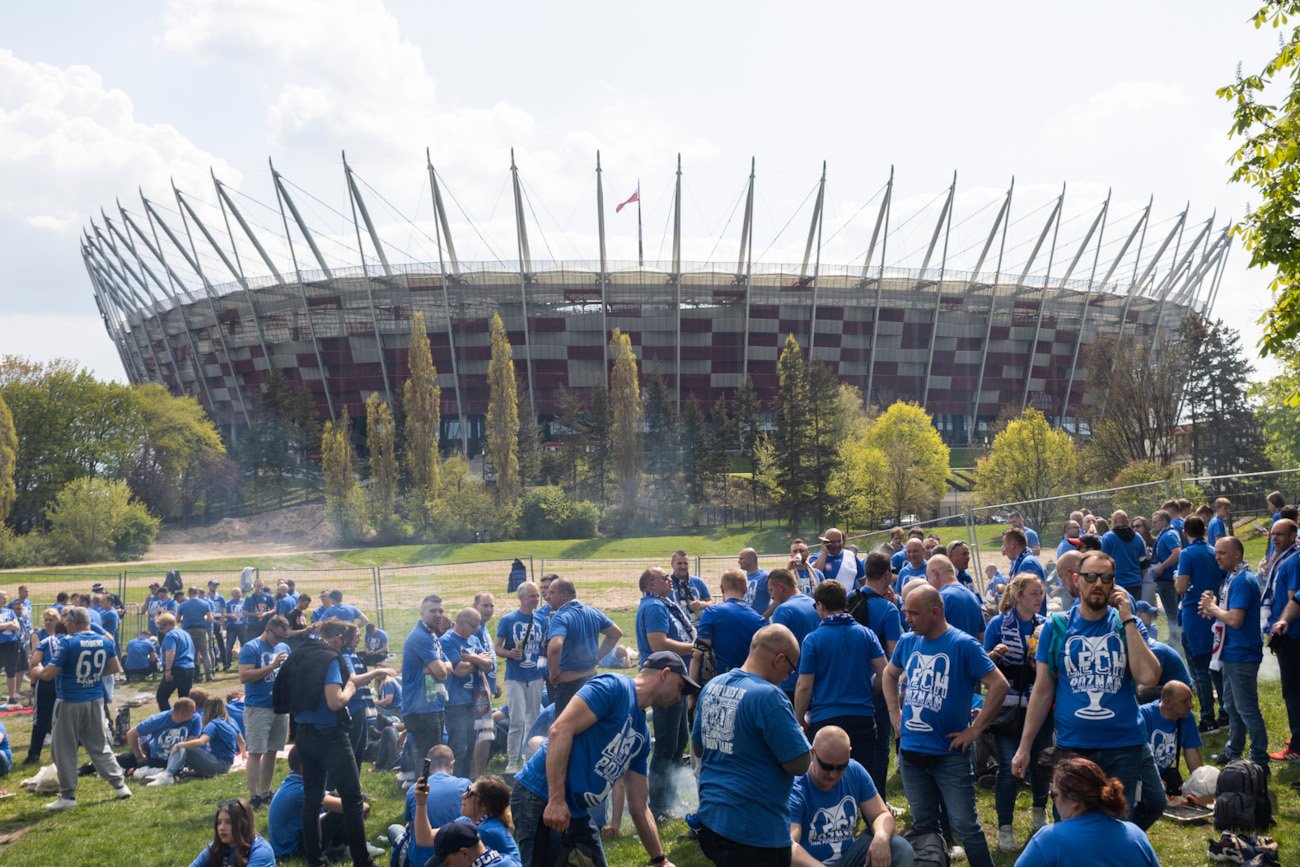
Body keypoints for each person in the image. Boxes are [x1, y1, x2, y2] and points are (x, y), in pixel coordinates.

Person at [1011, 551, 1166, 831]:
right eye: (1090, 576)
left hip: (1122, 746)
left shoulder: (1126, 625)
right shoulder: (1056, 627)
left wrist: (1128, 618)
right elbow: (1043, 691)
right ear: (1076, 580)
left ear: (1113, 583)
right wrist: (1024, 747)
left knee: (1116, 826)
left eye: (1106, 577)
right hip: (1073, 747)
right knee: (1069, 827)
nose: (1098, 583)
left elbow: (1149, 676)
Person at [512, 652, 694, 867]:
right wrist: (556, 801)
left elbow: (639, 806)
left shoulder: (641, 736)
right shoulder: (613, 686)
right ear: (665, 674)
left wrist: (660, 860)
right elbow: (560, 730)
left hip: (575, 810)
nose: (680, 696)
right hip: (539, 796)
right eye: (680, 687)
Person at [884, 586, 1007, 867]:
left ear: (935, 612)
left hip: (950, 753)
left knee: (966, 827)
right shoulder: (907, 641)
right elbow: (889, 675)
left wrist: (975, 730)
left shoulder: (962, 644)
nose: (907, 620)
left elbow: (999, 685)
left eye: (913, 613)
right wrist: (894, 711)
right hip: (912, 753)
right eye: (906, 613)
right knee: (925, 826)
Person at [693, 624, 812, 867]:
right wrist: (798, 736)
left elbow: (698, 747)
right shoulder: (770, 697)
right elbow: (799, 764)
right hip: (755, 830)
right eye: (790, 668)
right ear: (779, 660)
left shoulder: (712, 686)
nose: (789, 676)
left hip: (713, 821)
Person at [279, 618, 377, 867]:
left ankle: (316, 861)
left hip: (304, 734)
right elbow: (335, 701)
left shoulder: (297, 654)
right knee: (352, 799)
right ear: (335, 637)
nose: (342, 645)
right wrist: (351, 688)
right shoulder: (329, 657)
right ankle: (362, 861)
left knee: (312, 801)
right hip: (329, 735)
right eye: (342, 640)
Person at [38, 606, 131, 810]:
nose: (67, 626)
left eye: (69, 622)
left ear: (76, 622)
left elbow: (49, 674)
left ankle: (68, 796)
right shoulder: (105, 641)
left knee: (64, 748)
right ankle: (119, 785)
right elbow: (115, 667)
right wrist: (94, 676)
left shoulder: (68, 642)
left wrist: (37, 669)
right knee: (99, 744)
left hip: (70, 699)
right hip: (94, 698)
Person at [983, 573, 1051, 851]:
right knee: (1010, 768)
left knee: (1041, 763)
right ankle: (1005, 827)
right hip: (1008, 709)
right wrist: (995, 655)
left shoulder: (1045, 626)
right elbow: (982, 665)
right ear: (1019, 595)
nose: (1039, 598)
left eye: (1041, 593)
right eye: (1033, 593)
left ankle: (1039, 809)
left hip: (1038, 704)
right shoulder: (999, 624)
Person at [788, 726, 913, 867]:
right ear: (812, 754)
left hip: (849, 858)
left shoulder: (855, 771)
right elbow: (789, 846)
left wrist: (881, 837)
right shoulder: (797, 788)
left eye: (841, 767)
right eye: (827, 767)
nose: (833, 774)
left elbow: (882, 814)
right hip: (812, 863)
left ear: (849, 754)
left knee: (900, 848)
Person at [795, 581, 885, 769]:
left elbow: (804, 685)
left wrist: (799, 718)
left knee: (826, 780)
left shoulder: (813, 639)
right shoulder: (866, 634)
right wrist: (871, 687)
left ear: (820, 605)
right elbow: (884, 673)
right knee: (861, 776)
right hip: (862, 717)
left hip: (826, 719)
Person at [1013, 757, 1158, 867]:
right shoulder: (1136, 836)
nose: (1054, 801)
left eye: (1054, 795)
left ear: (1074, 800)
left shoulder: (1050, 839)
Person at [634, 566, 697, 820]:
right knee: (666, 745)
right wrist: (693, 647)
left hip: (674, 679)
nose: (670, 580)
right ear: (651, 584)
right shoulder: (654, 607)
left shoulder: (663, 603)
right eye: (664, 578)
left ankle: (669, 797)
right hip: (663, 681)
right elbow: (657, 643)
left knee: (679, 740)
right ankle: (659, 805)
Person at [1200, 535, 1267, 765]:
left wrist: (1213, 608)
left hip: (1242, 654)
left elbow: (1236, 619)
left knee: (1247, 709)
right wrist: (1213, 610)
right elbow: (1228, 615)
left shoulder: (1242, 580)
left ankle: (1259, 758)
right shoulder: (1232, 576)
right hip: (1230, 653)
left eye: (1222, 553)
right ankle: (1234, 751)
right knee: (1231, 706)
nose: (1217, 556)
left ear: (1237, 554)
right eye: (1216, 552)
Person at [845, 551, 903, 798]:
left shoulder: (849, 599)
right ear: (887, 575)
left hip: (848, 683)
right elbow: (896, 655)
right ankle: (876, 800)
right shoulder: (888, 611)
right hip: (877, 686)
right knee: (879, 746)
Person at [268, 745, 379, 861]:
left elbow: (329, 794)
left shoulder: (293, 781)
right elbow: (347, 806)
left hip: (289, 843)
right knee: (345, 809)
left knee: (338, 800)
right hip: (292, 849)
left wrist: (357, 798)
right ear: (304, 766)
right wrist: (362, 806)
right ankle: (350, 847)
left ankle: (344, 845)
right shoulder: (301, 791)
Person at [1175, 515, 1226, 734]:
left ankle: (1207, 718)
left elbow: (1181, 586)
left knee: (1199, 670)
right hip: (1213, 612)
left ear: (1185, 532)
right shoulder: (1213, 550)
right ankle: (1225, 713)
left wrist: (1178, 579)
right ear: (1204, 530)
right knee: (1216, 667)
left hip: (1194, 615)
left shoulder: (1187, 553)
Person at [545, 578, 622, 715]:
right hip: (592, 680)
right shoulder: (593, 612)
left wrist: (553, 673)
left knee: (565, 732)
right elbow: (615, 633)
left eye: (552, 593)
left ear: (565, 595)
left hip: (569, 686)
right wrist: (596, 657)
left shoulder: (560, 617)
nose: (547, 597)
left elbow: (555, 646)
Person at [496, 581, 549, 773]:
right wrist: (509, 654)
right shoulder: (508, 619)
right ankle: (512, 760)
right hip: (515, 677)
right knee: (517, 719)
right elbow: (497, 647)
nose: (536, 599)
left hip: (535, 677)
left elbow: (544, 648)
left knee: (533, 720)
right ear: (521, 598)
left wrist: (541, 669)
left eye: (537, 595)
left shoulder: (542, 620)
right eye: (532, 596)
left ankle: (528, 757)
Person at [240, 614, 291, 808]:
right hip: (258, 707)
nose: (279, 641)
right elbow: (244, 676)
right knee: (255, 752)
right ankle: (253, 797)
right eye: (277, 636)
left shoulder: (284, 647)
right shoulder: (251, 647)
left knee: (272, 751)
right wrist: (271, 666)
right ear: (268, 630)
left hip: (279, 706)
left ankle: (265, 791)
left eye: (282, 637)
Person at [402, 594, 452, 773]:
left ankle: (427, 794)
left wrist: (439, 668)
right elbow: (442, 671)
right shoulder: (420, 637)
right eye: (433, 611)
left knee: (432, 756)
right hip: (420, 709)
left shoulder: (432, 636)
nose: (438, 614)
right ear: (421, 613)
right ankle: (420, 796)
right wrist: (439, 668)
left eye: (441, 611)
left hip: (432, 705)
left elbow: (448, 666)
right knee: (428, 757)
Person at [442, 608, 495, 776]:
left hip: (475, 699)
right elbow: (459, 670)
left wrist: (472, 658)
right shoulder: (447, 640)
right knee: (458, 748)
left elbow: (489, 665)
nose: (477, 630)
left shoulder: (473, 638)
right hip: (456, 701)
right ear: (462, 623)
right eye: (474, 626)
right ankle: (455, 780)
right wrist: (480, 661)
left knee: (471, 746)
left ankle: (465, 781)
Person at [1263, 518, 1300, 761]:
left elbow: (1293, 597)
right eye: (1273, 534)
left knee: (1293, 691)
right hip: (1288, 633)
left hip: (1293, 636)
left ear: (1293, 535)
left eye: (1280, 534)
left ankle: (1297, 747)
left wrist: (1282, 622)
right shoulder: (1285, 558)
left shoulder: (1294, 561)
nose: (1274, 538)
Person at [148, 695, 245, 785]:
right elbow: (241, 742)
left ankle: (168, 775)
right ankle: (167, 772)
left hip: (218, 765)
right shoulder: (230, 720)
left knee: (184, 747)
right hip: (227, 765)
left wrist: (179, 745)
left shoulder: (213, 724)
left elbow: (201, 742)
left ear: (207, 709)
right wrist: (244, 755)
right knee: (185, 746)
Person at [693, 569, 767, 683]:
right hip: (747, 683)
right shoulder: (759, 620)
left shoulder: (711, 612)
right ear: (746, 589)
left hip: (717, 682)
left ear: (722, 588)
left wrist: (692, 690)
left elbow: (698, 654)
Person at [770, 568, 821, 704]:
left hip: (791, 682)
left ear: (780, 587)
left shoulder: (783, 610)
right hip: (816, 679)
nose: (771, 596)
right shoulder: (814, 604)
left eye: (771, 590)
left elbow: (777, 647)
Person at [1138, 681, 1203, 779]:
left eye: (1191, 699)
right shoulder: (1142, 716)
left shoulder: (1187, 717)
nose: (1191, 705)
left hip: (1163, 777)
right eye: (1184, 701)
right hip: (1142, 777)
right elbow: (1133, 758)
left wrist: (1201, 781)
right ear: (1167, 702)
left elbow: (1192, 752)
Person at [23, 609, 62, 765]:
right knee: (41, 718)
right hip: (46, 679)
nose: (47, 622)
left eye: (51, 620)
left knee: (60, 716)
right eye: (45, 619)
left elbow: (34, 662)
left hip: (56, 679)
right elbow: (34, 661)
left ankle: (61, 748)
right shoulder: (39, 636)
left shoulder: (57, 639)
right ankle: (34, 753)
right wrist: (33, 684)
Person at [189, 798, 277, 867]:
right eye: (219, 822)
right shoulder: (216, 847)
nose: (221, 828)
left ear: (244, 824)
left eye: (229, 822)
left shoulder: (261, 851)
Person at [121, 697, 201, 772]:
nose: (195, 712)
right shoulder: (158, 720)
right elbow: (131, 734)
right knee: (122, 761)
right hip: (154, 753)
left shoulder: (195, 719)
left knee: (143, 767)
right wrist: (139, 756)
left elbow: (190, 744)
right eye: (192, 711)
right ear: (182, 714)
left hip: (175, 759)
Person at [458, 775, 522, 867]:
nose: (463, 795)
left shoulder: (486, 831)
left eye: (470, 793)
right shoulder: (475, 822)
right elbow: (431, 837)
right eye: (467, 789)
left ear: (484, 805)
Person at [925, 554, 984, 641]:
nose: (928, 582)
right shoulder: (973, 597)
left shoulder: (940, 598)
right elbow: (981, 635)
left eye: (928, 577)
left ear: (935, 574)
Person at [156, 611, 197, 711]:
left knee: (161, 696)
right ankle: (186, 719)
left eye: (162, 627)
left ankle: (167, 719)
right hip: (189, 667)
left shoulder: (170, 635)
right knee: (184, 699)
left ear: (169, 624)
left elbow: (171, 651)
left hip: (176, 668)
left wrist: (168, 670)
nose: (161, 631)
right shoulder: (185, 633)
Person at [179, 586, 215, 683]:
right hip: (201, 630)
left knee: (193, 654)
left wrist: (184, 620)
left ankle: (195, 675)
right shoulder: (205, 603)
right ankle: (209, 675)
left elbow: (177, 619)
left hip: (188, 631)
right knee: (205, 653)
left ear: (189, 593)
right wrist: (202, 620)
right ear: (197, 592)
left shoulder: (183, 605)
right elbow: (209, 619)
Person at [812, 528, 864, 593]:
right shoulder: (816, 558)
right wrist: (824, 553)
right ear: (825, 542)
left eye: (839, 541)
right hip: (828, 601)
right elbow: (814, 577)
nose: (836, 545)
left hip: (851, 601)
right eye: (833, 542)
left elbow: (863, 580)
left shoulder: (851, 555)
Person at [669, 550, 714, 621]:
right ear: (672, 564)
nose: (683, 566)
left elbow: (711, 602)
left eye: (685, 563)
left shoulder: (698, 582)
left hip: (699, 627)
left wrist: (702, 604)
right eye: (679, 563)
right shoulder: (666, 584)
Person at [0, 590, 24, 704]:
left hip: (11, 644)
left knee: (11, 670)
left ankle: (12, 696)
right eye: (2, 597)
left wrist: (5, 626)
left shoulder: (10, 611)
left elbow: (16, 626)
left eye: (5, 597)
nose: (5, 599)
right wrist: (9, 624)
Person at [739, 547, 772, 615]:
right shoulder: (743, 577)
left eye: (741, 558)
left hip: (760, 624)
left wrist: (762, 618)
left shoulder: (764, 577)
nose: (739, 561)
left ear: (751, 559)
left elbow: (777, 601)